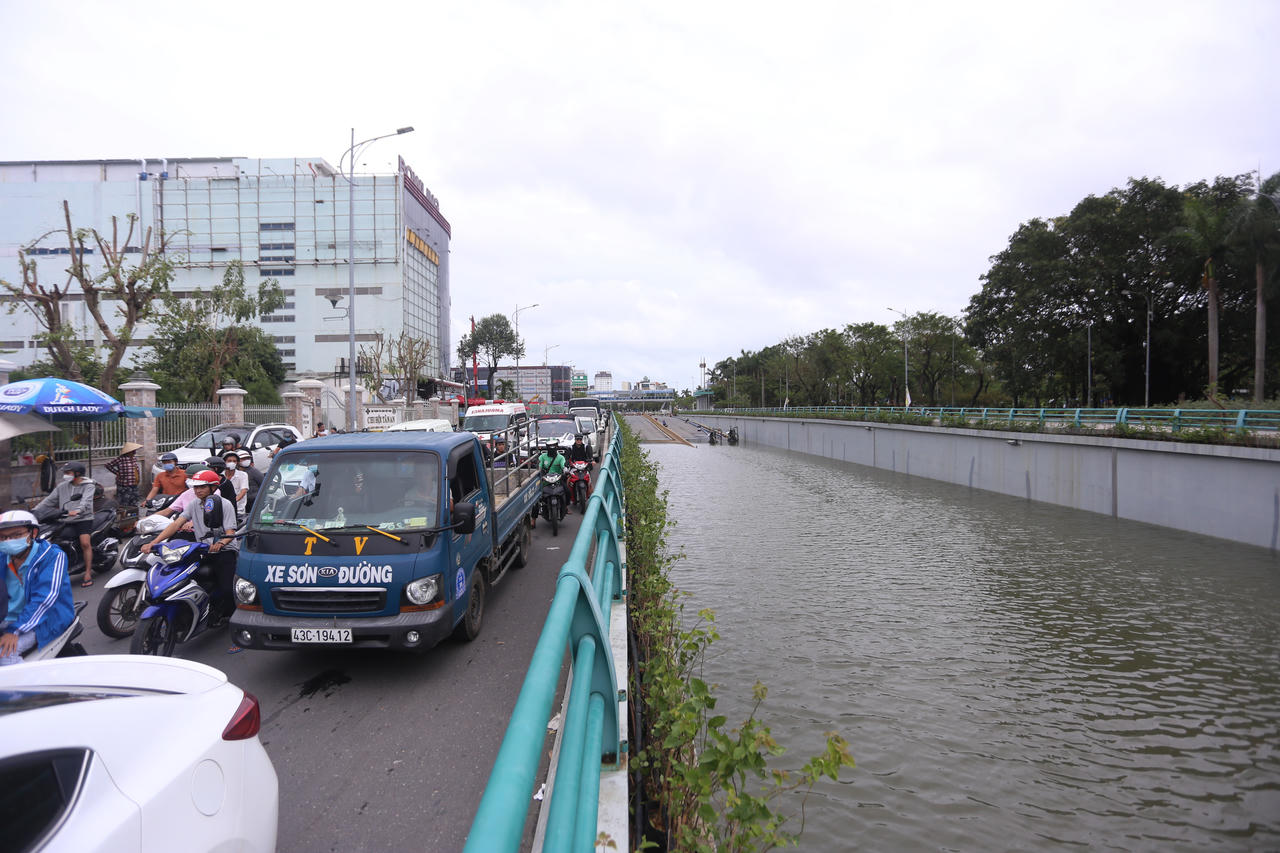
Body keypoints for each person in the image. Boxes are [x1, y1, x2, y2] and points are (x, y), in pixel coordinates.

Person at [142, 470, 239, 627]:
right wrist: (155, 542)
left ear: (213, 488)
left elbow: (230, 532)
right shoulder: (194, 503)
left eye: (202, 487)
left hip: (224, 551)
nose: (197, 490)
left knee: (227, 588)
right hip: (202, 549)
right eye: (196, 487)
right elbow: (176, 524)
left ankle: (231, 619)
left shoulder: (225, 504)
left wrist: (221, 543)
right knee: (186, 579)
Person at [0, 510, 74, 665]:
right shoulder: (2, 556)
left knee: (5, 655)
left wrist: (15, 630)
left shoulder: (52, 556)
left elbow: (46, 598)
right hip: (8, 618)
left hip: (46, 619)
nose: (8, 541)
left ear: (33, 533)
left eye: (16, 535)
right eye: (3, 537)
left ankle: (26, 689)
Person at [33, 462, 97, 587]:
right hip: (65, 519)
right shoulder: (62, 486)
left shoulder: (89, 486)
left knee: (85, 543)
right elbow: (48, 501)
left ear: (77, 473)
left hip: (83, 519)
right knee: (54, 540)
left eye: (68, 473)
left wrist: (78, 510)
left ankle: (88, 572)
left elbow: (86, 502)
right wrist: (34, 511)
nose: (65, 475)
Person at [104, 441, 142, 509]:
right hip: (124, 485)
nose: (134, 452)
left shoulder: (134, 459)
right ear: (128, 452)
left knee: (134, 501)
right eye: (133, 451)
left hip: (134, 484)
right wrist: (117, 473)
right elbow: (108, 465)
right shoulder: (120, 459)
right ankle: (124, 516)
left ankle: (133, 514)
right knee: (124, 502)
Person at [222, 451, 250, 519]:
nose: (232, 463)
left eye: (234, 461)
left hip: (238, 511)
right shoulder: (221, 476)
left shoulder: (243, 475)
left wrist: (232, 502)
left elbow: (243, 491)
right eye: (229, 461)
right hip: (223, 510)